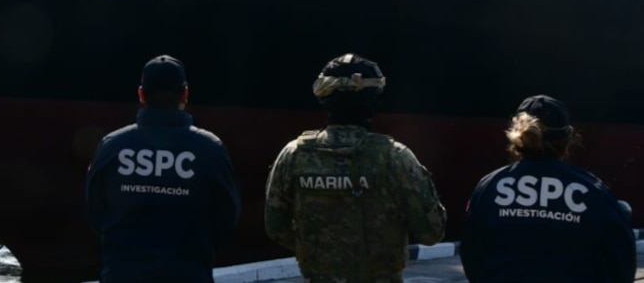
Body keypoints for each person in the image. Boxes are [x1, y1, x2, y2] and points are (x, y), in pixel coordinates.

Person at [264, 53, 446, 282]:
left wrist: (320, 253)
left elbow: (275, 226)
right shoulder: (395, 157)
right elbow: (432, 232)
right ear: (374, 102)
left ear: (323, 99)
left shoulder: (293, 155)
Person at [85, 55, 241, 283]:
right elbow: (227, 216)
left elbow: (95, 209)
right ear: (185, 94)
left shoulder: (112, 147)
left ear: (141, 94)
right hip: (188, 274)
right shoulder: (210, 149)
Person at [461, 95, 636, 282]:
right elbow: (621, 263)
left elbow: (472, 254)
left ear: (517, 137)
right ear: (568, 139)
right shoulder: (593, 191)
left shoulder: (490, 187)